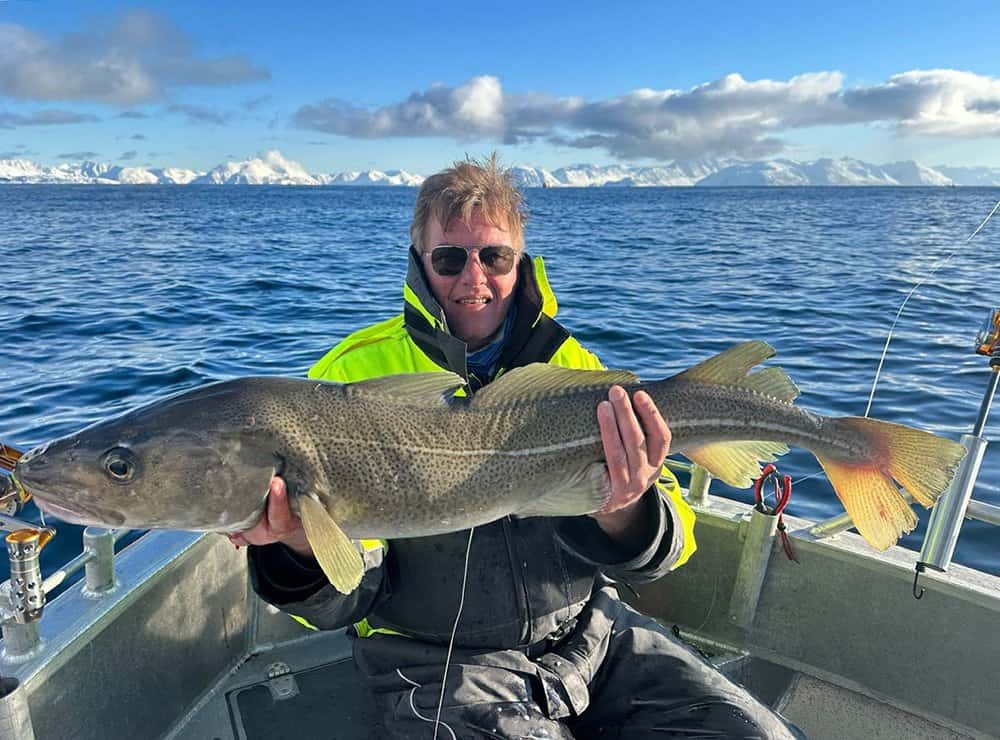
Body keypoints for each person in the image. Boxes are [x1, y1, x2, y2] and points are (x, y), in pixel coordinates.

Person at [234, 155, 804, 738]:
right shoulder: (348, 383)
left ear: (520, 262)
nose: (473, 278)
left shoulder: (574, 368)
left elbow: (671, 545)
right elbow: (345, 598)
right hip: (437, 662)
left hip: (594, 636)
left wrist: (625, 507)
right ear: (419, 262)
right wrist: (298, 550)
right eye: (450, 258)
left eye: (494, 256)